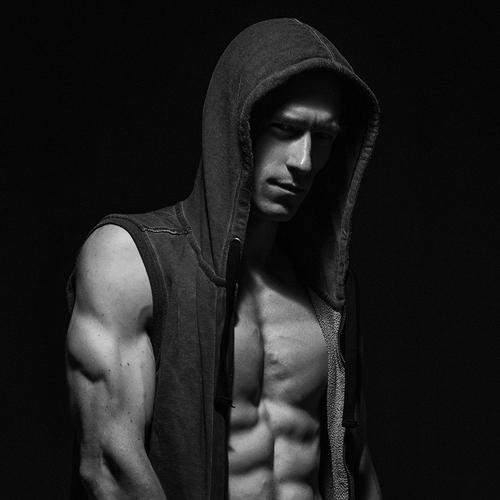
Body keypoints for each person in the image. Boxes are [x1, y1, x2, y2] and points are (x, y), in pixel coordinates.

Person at [66, 18, 382, 500]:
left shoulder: (325, 293)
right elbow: (110, 466)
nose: (303, 161)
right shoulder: (129, 260)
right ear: (238, 127)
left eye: (323, 138)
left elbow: (356, 465)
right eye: (285, 129)